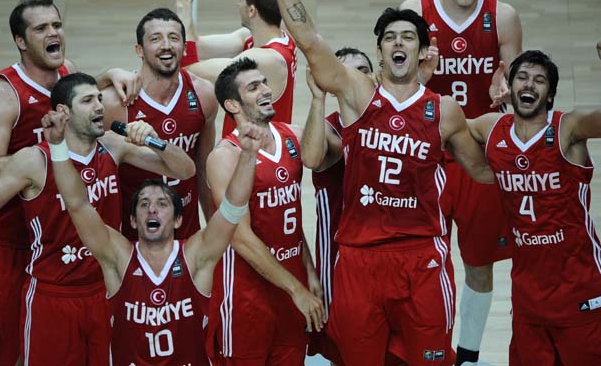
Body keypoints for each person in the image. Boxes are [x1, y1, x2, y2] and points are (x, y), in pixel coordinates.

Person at [263, 0, 496, 365]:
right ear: (380, 51)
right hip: (358, 259)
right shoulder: (358, 95)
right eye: (389, 38)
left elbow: (479, 170)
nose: (398, 43)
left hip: (421, 257)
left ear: (423, 51)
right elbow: (311, 43)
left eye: (408, 36)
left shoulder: (443, 111)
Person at [0, 73, 194, 365]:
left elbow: (186, 171)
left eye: (99, 98)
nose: (99, 106)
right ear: (63, 112)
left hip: (107, 288)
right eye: (88, 101)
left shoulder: (113, 145)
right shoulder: (33, 160)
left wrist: (154, 141)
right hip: (52, 294)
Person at [0, 0, 137, 366]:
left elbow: (80, 96)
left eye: (56, 25)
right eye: (41, 28)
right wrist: (46, 147)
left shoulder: (66, 71)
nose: (53, 32)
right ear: (21, 41)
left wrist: (110, 74)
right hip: (6, 241)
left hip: (49, 238)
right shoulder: (1, 96)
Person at [42, 103, 265, 365]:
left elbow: (231, 209)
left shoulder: (195, 255)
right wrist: (57, 146)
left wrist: (249, 156)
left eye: (162, 204)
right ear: (134, 221)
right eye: (144, 204)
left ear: (179, 219)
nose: (152, 210)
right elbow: (78, 204)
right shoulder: (119, 257)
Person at [465, 37, 601, 365]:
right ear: (510, 88)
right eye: (522, 78)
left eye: (539, 80)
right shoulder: (491, 129)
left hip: (582, 291)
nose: (530, 84)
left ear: (549, 95)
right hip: (530, 299)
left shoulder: (567, 128)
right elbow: (450, 128)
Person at [399, 0, 523, 363]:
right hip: (427, 157)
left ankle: (467, 356)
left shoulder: (502, 16)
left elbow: (518, 86)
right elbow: (395, 80)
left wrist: (505, 91)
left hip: (478, 161)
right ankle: (422, 350)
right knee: (418, 263)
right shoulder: (415, 10)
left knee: (479, 264)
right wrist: (420, 74)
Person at [205, 57, 325, 365]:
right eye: (254, 87)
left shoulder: (291, 136)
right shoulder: (225, 157)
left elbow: (291, 219)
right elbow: (241, 239)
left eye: (265, 83)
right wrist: (296, 289)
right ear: (232, 105)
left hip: (290, 285)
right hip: (247, 296)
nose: (265, 91)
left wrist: (318, 96)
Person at [100, 7, 218, 241]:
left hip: (187, 234)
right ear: (139, 50)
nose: (166, 45)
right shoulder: (115, 103)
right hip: (131, 238)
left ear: (184, 48)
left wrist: (215, 233)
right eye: (155, 39)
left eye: (173, 38)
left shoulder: (204, 94)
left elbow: (203, 170)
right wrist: (105, 75)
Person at [168, 0, 298, 136]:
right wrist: (187, 3)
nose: (237, 5)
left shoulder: (267, 59)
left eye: (240, 0)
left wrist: (182, 3)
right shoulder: (272, 37)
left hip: (258, 157)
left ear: (252, 10)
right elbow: (195, 46)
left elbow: (187, 70)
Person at [301, 47, 373, 365]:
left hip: (391, 254)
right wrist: (318, 99)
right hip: (340, 260)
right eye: (346, 71)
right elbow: (312, 159)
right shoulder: (330, 131)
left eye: (364, 69)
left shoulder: (396, 121)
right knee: (345, 352)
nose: (356, 77)